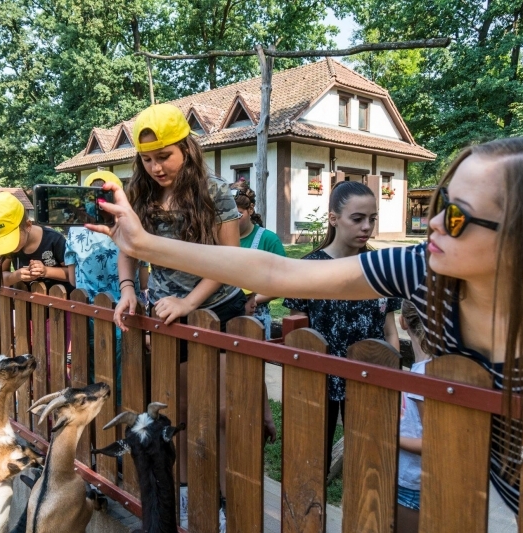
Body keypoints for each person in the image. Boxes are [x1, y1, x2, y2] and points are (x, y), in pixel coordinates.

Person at [88, 137, 523, 515]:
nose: (432, 225)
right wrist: (143, 244)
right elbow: (278, 271)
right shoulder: (425, 271)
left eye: (456, 217)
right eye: (438, 207)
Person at [112, 103, 273, 529]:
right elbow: (127, 248)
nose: (155, 167)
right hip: (168, 316)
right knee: (178, 414)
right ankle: (183, 495)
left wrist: (188, 303)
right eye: (147, 159)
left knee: (220, 412)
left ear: (186, 147)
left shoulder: (217, 191)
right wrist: (128, 290)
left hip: (219, 311)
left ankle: (220, 499)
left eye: (163, 156)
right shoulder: (139, 193)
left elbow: (229, 261)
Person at [283, 181, 401, 449]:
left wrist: (392, 376)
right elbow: (298, 333)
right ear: (334, 219)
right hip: (316, 381)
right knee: (312, 456)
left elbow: (390, 330)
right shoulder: (309, 269)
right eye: (357, 219)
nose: (367, 227)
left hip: (370, 378)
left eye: (372, 219)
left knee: (369, 459)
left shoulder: (381, 268)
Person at [64, 171, 142, 404]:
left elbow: (71, 279)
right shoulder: (133, 229)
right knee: (124, 381)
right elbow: (144, 280)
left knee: (88, 376)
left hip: (86, 315)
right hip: (126, 318)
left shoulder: (75, 231)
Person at [0, 191, 71, 291]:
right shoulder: (7, 249)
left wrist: (46, 271)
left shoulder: (54, 240)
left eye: (10, 239)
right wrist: (15, 276)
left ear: (28, 225)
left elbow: (74, 276)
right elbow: (0, 278)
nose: (8, 246)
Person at [231, 179, 286, 339]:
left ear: (251, 209)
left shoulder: (268, 240)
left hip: (257, 317)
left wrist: (250, 299)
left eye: (238, 214)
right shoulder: (218, 239)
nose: (232, 219)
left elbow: (281, 283)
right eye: (227, 215)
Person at [397, 300, 431, 533]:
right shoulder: (430, 369)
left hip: (413, 483)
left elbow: (433, 443)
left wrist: (390, 436)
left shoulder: (422, 377)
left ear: (403, 321)